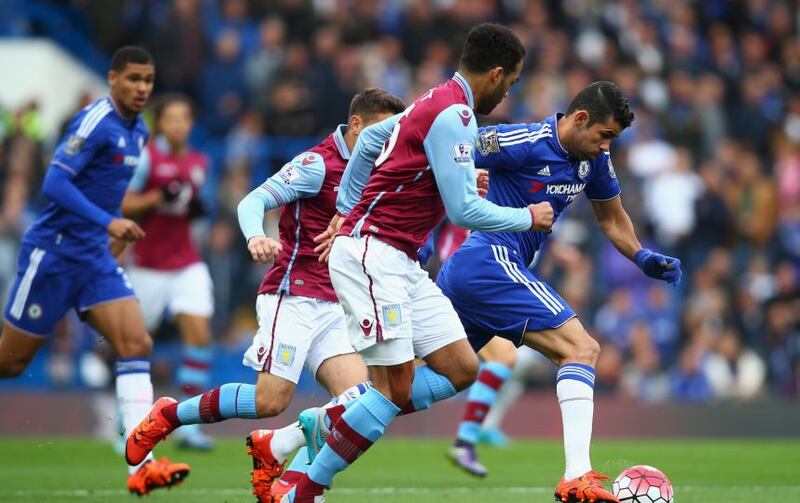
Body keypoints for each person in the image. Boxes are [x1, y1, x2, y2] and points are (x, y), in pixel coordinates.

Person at [283, 23, 551, 502]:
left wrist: (345, 207)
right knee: (394, 390)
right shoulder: (456, 114)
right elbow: (464, 212)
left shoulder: (435, 99)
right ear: (495, 74)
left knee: (461, 367)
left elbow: (369, 142)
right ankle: (302, 489)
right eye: (511, 82)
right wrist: (526, 217)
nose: (509, 92)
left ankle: (327, 420)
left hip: (401, 259)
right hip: (373, 254)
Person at [123, 88, 407, 502]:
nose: (388, 140)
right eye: (383, 130)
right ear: (357, 125)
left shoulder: (380, 167)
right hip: (293, 295)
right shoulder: (317, 164)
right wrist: (256, 235)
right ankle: (169, 414)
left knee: (358, 404)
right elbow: (253, 200)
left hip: (338, 303)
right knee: (270, 400)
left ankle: (291, 484)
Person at [436, 81, 681, 502]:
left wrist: (641, 256)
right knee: (581, 348)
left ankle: (319, 428)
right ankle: (577, 476)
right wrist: (456, 189)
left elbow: (611, 218)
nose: (606, 146)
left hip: (483, 273)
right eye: (604, 135)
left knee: (421, 382)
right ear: (581, 118)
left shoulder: (594, 161)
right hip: (489, 258)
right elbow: (445, 153)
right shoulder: (524, 141)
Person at [0, 46, 191, 496]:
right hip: (53, 254)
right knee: (11, 362)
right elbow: (54, 183)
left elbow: (108, 194)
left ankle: (141, 465)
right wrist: (108, 222)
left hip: (94, 258)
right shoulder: (95, 121)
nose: (142, 88)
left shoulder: (138, 131)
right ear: (112, 79)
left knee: (136, 343)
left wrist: (115, 231)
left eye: (148, 80)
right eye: (134, 79)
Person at [120, 94, 215, 450]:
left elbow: (198, 208)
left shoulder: (199, 161)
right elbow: (125, 203)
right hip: (147, 265)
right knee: (136, 344)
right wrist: (158, 196)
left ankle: (188, 424)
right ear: (160, 123)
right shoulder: (147, 158)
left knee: (200, 336)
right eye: (172, 118)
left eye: (184, 118)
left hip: (187, 261)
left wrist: (197, 208)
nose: (178, 125)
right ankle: (128, 422)